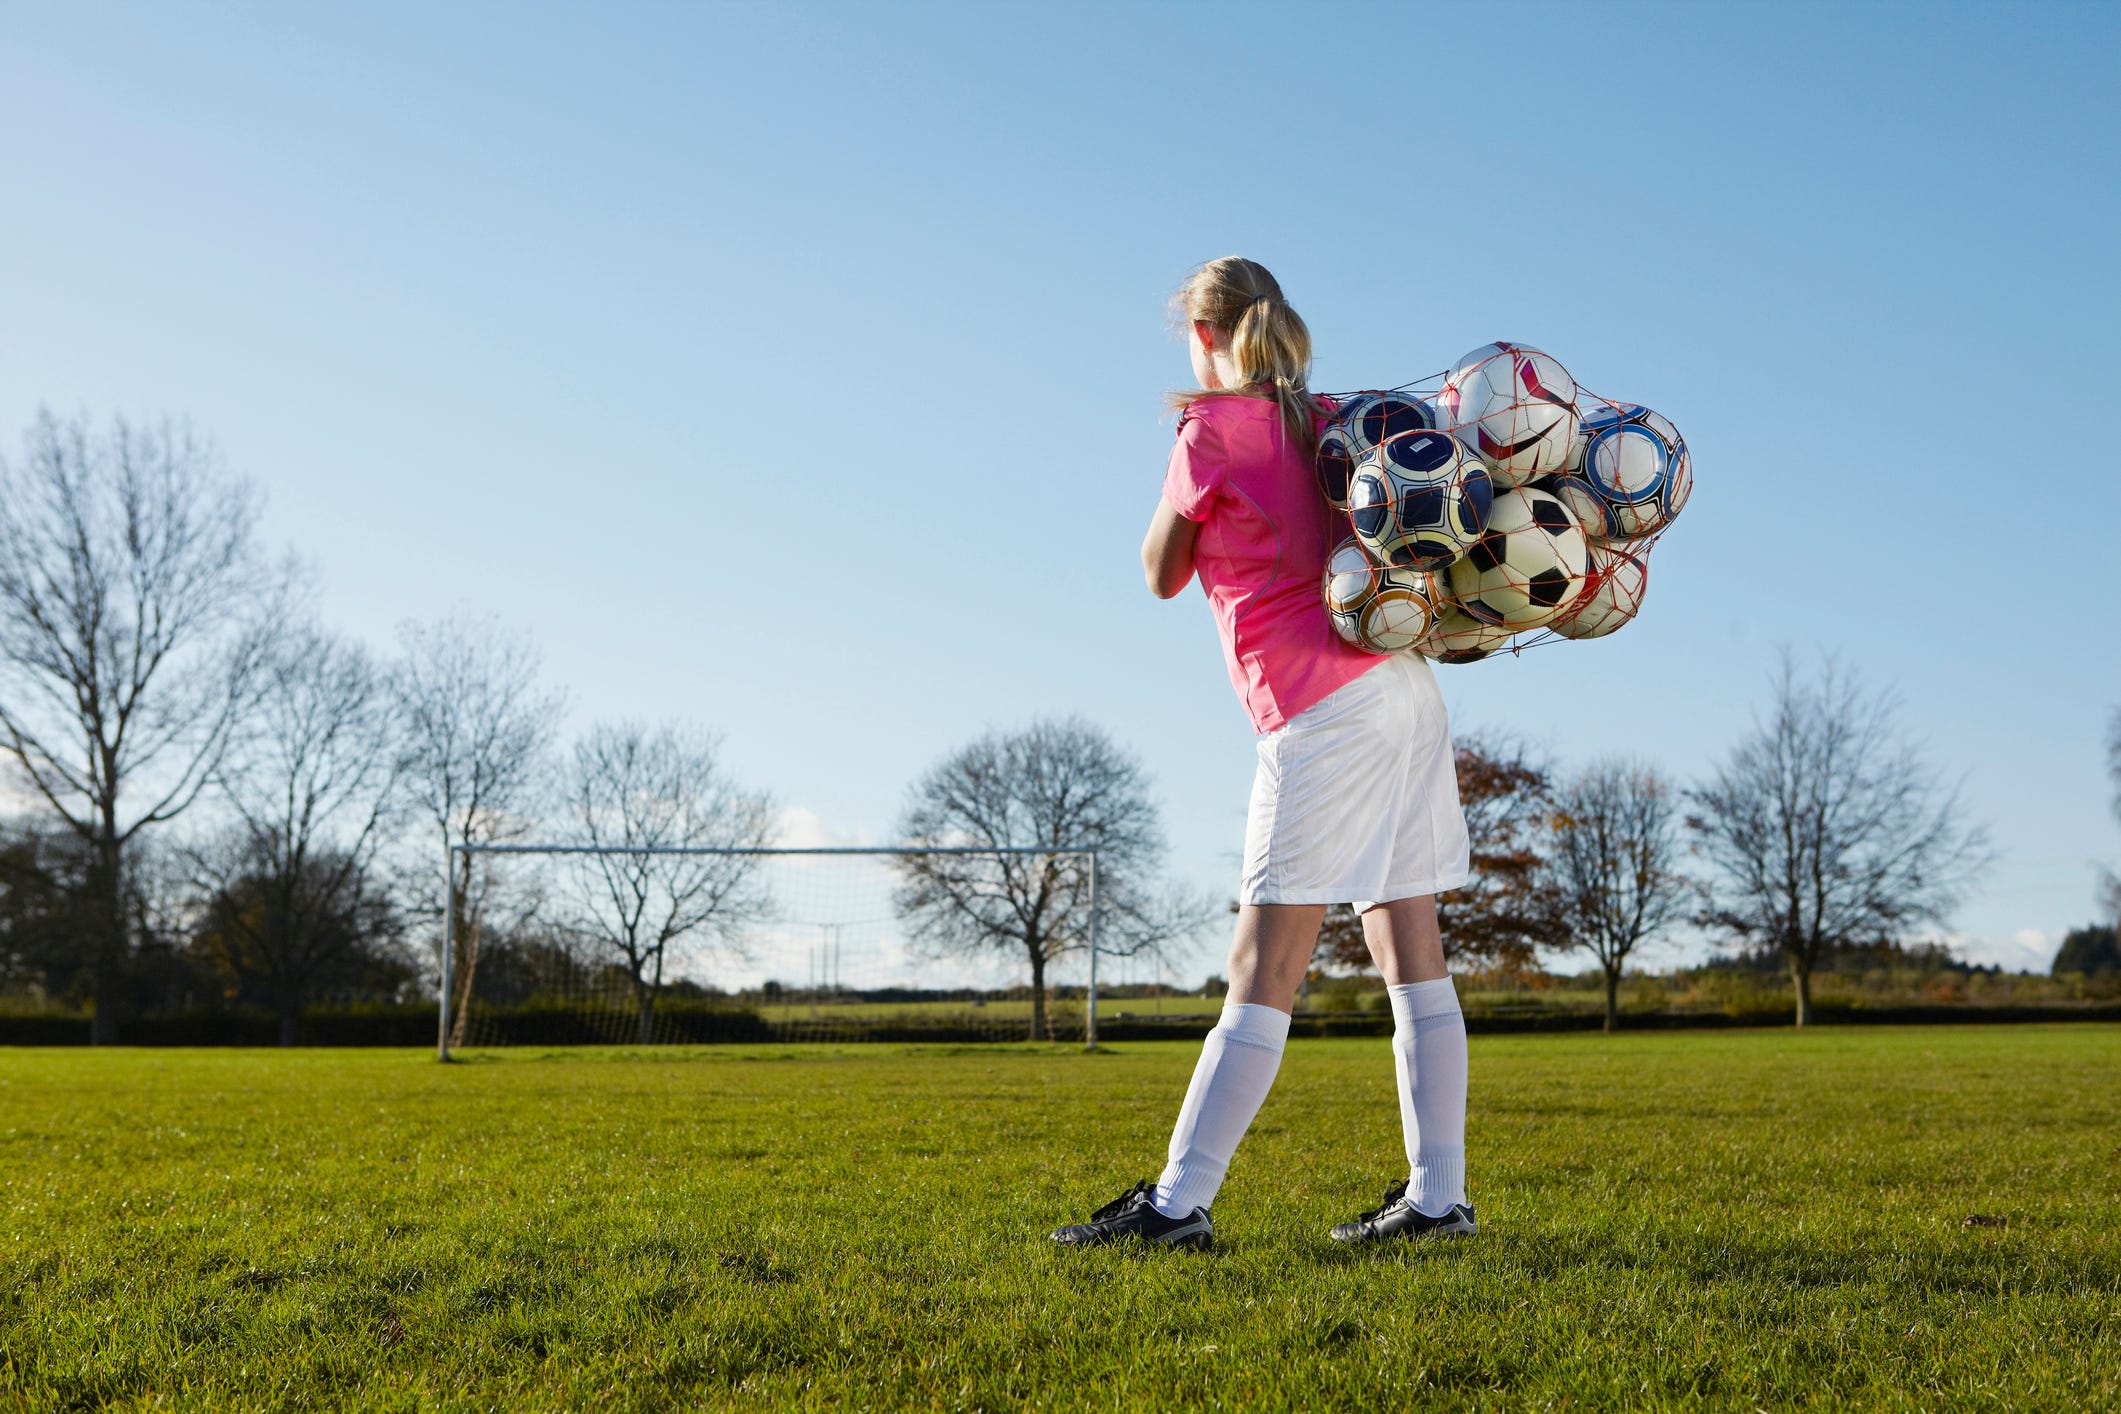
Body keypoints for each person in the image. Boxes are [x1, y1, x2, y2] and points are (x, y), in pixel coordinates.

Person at [1050, 257, 1474, 1251]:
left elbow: (1160, 571)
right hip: (1404, 686)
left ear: (1204, 335)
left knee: (1263, 964)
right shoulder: (1334, 420)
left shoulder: (1210, 427)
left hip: (1323, 711)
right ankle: (1438, 1198)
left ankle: (1177, 1204)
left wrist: (1195, 454)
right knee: (1410, 948)